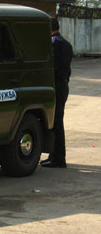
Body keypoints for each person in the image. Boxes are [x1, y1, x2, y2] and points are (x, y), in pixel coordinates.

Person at [41, 18, 72, 168]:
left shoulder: (53, 43)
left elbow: (52, 68)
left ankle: (58, 158)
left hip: (55, 86)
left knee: (56, 122)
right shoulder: (66, 44)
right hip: (63, 85)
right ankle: (54, 155)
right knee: (57, 121)